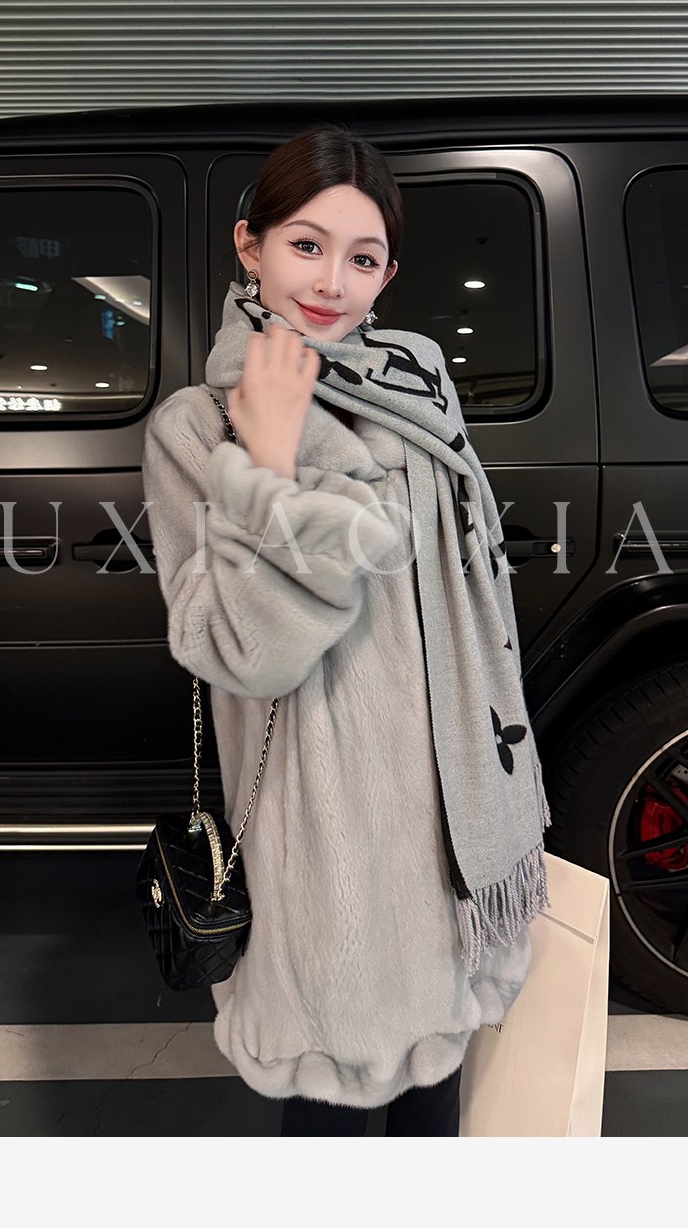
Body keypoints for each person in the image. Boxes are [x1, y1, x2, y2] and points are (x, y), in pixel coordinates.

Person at [142, 124, 550, 1136]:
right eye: (306, 245)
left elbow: (470, 598)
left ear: (389, 274)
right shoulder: (200, 423)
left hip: (448, 807)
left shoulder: (417, 385)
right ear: (250, 245)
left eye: (363, 258)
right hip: (324, 831)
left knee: (432, 1107)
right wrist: (271, 466)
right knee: (326, 1113)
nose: (332, 282)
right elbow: (230, 646)